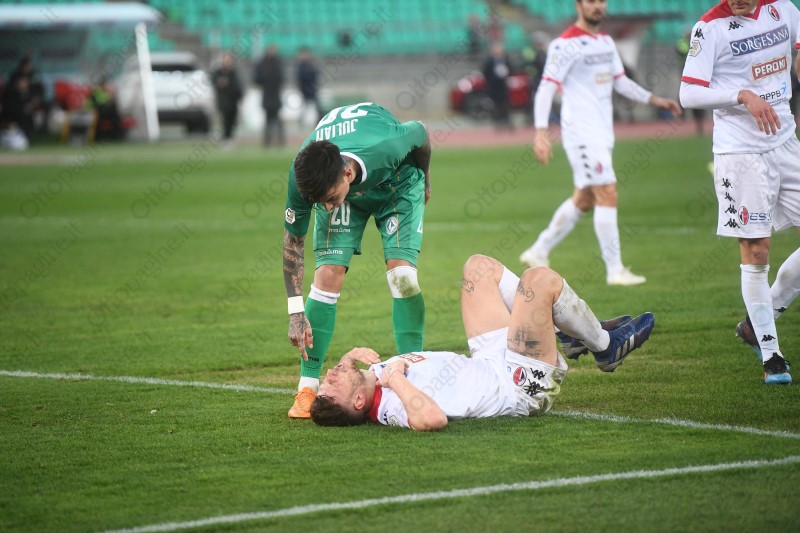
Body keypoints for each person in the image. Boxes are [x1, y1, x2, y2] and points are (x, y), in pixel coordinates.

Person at [309, 254, 655, 430]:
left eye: (325, 379)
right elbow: (432, 420)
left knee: (478, 268)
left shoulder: (371, 381)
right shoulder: (390, 406)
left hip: (489, 359)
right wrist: (396, 376)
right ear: (358, 401)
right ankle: (604, 346)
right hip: (517, 385)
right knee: (539, 281)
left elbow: (349, 380)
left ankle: (562, 331)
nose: (330, 375)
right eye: (331, 386)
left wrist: (348, 359)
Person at [283, 102, 431, 418]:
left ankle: (415, 376)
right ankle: (307, 388)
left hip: (399, 182)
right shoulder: (304, 175)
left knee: (402, 277)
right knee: (327, 273)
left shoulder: (386, 146)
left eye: (328, 199)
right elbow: (293, 243)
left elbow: (420, 132)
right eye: (318, 203)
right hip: (348, 193)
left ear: (348, 173)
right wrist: (295, 311)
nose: (325, 208)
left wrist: (426, 179)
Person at [679, 0, 800, 385]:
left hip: (786, 141)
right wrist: (742, 95)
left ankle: (759, 321)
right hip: (740, 153)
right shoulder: (709, 28)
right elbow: (688, 94)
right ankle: (771, 355)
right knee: (757, 250)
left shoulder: (785, 9)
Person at [519, 0, 682, 286]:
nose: (598, 6)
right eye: (591, 1)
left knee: (584, 198)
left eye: (602, 1)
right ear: (578, 5)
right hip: (581, 133)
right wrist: (541, 133)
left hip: (602, 132)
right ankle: (614, 270)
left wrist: (654, 100)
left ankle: (538, 250)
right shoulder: (564, 44)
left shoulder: (606, 42)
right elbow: (546, 87)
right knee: (608, 192)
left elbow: (620, 82)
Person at [676, 31, 708, 136]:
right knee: (683, 98)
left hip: (697, 76)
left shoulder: (698, 42)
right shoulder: (685, 43)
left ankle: (699, 124)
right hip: (687, 76)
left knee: (697, 101)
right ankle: (681, 120)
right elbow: (682, 50)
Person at [253, 44, 284, 147]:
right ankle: (267, 141)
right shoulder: (262, 63)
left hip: (275, 95)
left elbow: (281, 78)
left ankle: (280, 141)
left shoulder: (277, 63)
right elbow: (257, 79)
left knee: (277, 120)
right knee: (268, 120)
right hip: (267, 95)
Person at [211, 52, 243, 145]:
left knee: (232, 120)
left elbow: (238, 87)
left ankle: (230, 138)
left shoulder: (233, 72)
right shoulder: (218, 72)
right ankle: (225, 138)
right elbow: (215, 83)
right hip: (223, 101)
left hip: (233, 101)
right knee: (224, 120)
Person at [482, 41, 513, 131]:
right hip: (493, 86)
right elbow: (485, 72)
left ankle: (507, 123)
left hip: (503, 86)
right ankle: (498, 123)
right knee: (495, 105)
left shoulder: (506, 59)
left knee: (505, 105)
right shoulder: (489, 61)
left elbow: (511, 69)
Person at [295, 47, 320, 127]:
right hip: (305, 90)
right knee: (305, 107)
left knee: (316, 107)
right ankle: (302, 122)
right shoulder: (301, 66)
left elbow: (315, 75)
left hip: (312, 89)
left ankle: (318, 122)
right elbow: (301, 78)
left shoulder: (311, 64)